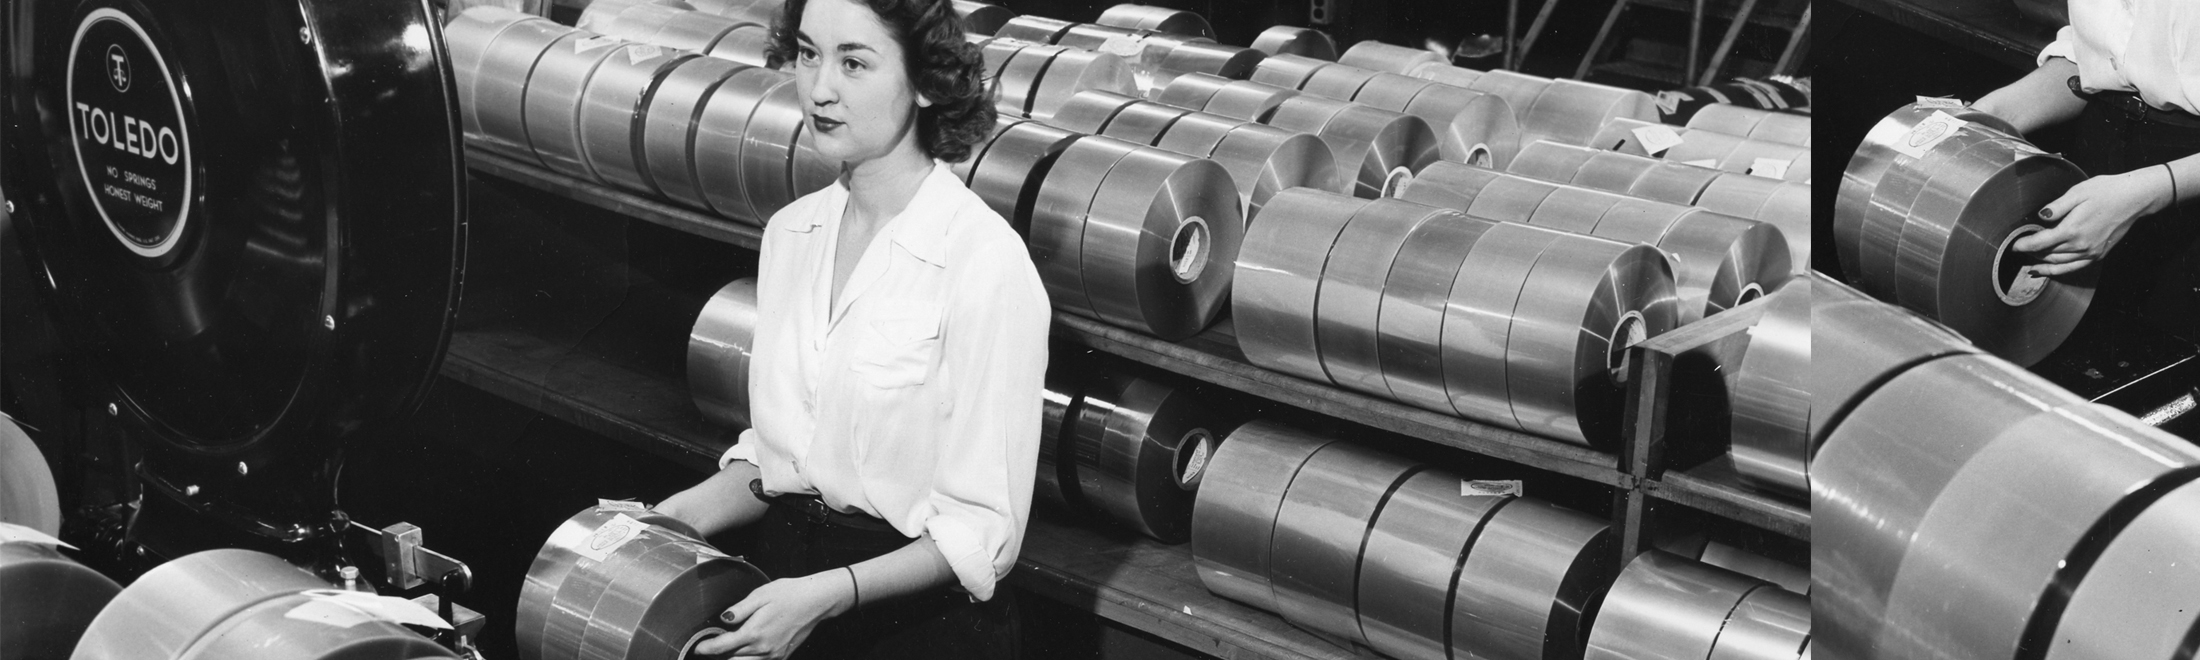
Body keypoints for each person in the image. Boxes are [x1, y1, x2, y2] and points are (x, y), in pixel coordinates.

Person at [651, 0, 1050, 657]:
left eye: (854, 62)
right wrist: (668, 520)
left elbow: (979, 535)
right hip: (785, 592)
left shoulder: (984, 264)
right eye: (809, 54)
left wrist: (824, 595)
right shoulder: (793, 233)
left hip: (916, 627)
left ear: (926, 81)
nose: (821, 88)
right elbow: (788, 457)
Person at [1970, 0, 2200, 278]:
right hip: (2101, 173)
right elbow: (2098, 63)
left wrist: (2146, 193)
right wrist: (1990, 113)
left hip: (2183, 188)